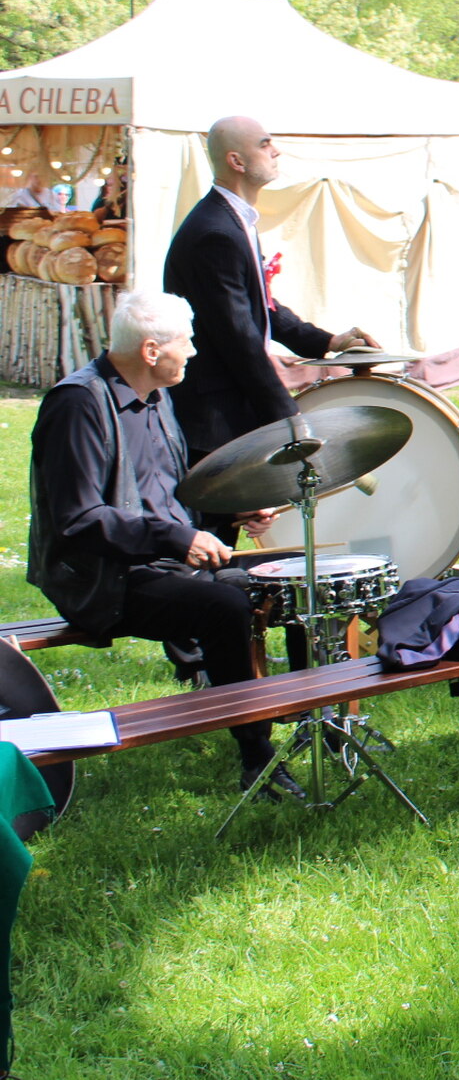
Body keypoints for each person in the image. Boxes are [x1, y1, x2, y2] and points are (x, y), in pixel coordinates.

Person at [26, 291, 298, 798]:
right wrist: (178, 538)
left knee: (297, 574)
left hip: (161, 564)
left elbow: (164, 496)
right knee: (223, 607)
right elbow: (78, 520)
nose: (193, 351)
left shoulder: (156, 395)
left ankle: (310, 716)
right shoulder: (77, 404)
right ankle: (257, 756)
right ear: (151, 351)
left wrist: (228, 513)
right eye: (186, 341)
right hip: (103, 580)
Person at [161, 116, 378, 472]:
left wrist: (328, 341)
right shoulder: (216, 232)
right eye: (264, 144)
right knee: (222, 512)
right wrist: (289, 419)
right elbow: (239, 337)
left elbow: (262, 307)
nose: (276, 151)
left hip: (229, 409)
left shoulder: (234, 220)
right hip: (213, 420)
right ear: (236, 161)